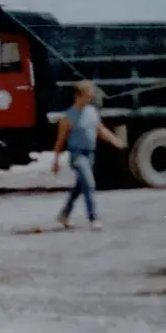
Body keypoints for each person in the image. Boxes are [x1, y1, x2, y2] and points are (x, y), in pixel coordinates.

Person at [51, 80, 126, 230]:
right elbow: (60, 141)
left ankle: (64, 214)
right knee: (90, 183)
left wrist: (114, 140)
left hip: (90, 154)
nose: (90, 99)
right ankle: (94, 218)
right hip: (77, 155)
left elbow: (100, 129)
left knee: (80, 186)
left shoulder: (92, 112)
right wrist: (56, 161)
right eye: (87, 96)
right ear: (78, 96)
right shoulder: (68, 117)